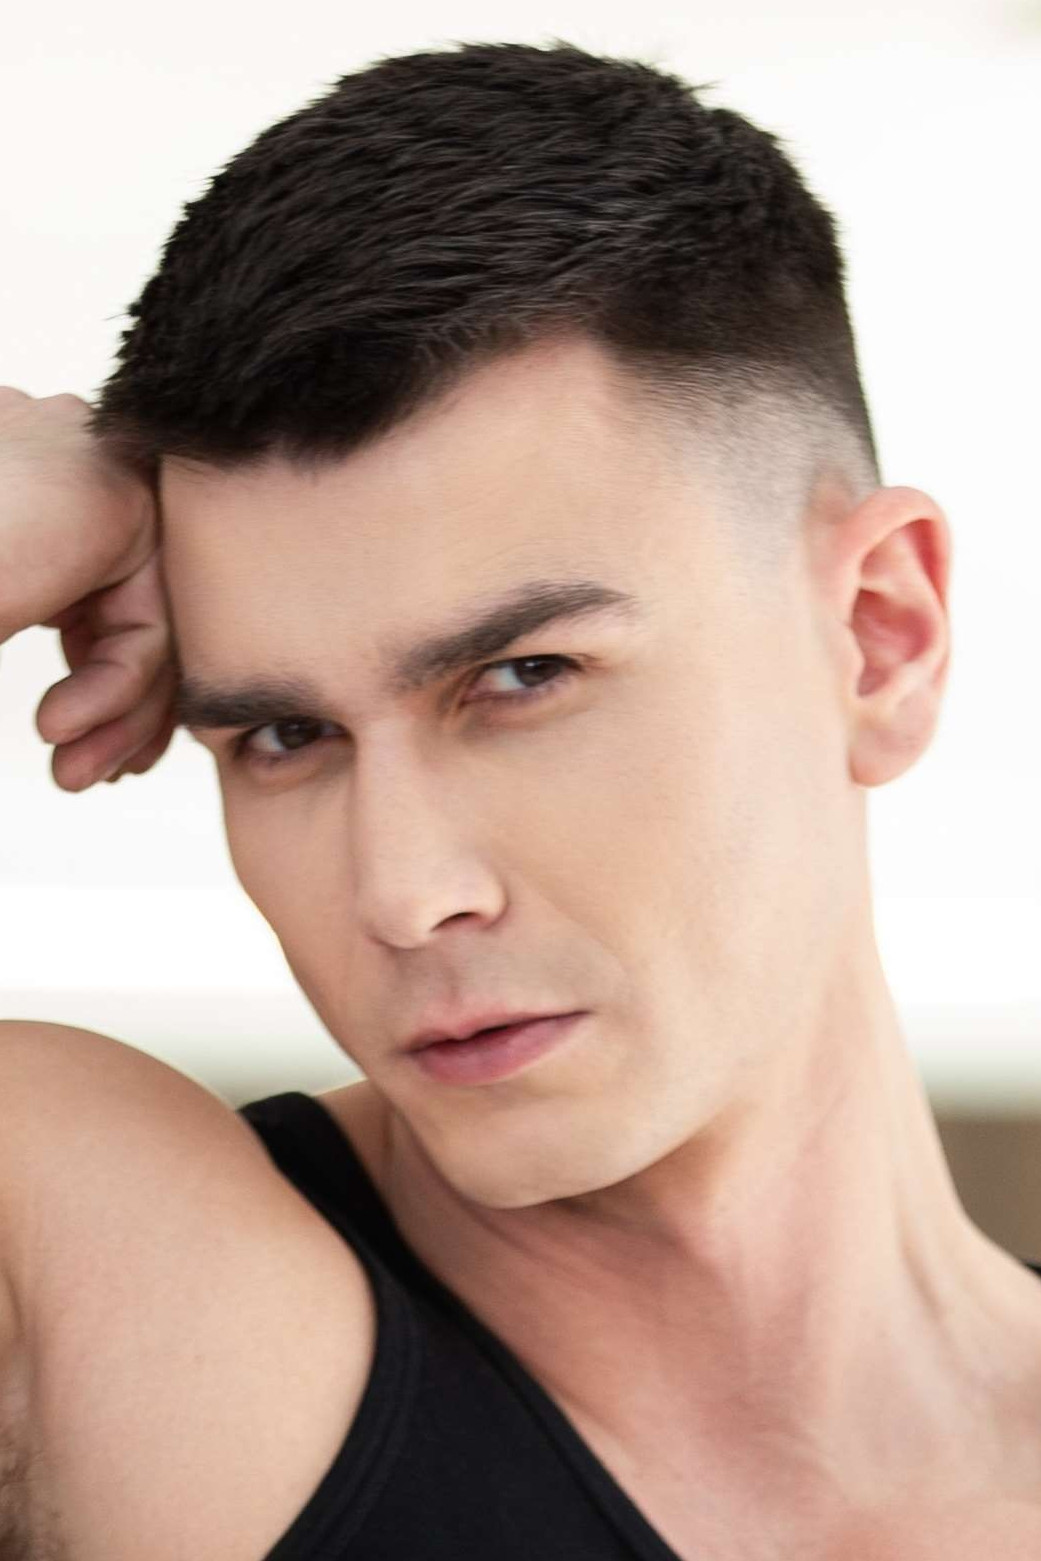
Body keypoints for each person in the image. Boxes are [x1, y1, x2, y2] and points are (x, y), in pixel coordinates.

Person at [1, 37, 1039, 1561]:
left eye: (522, 675)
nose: (401, 892)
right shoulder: (125, 1284)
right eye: (285, 733)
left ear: (879, 636)